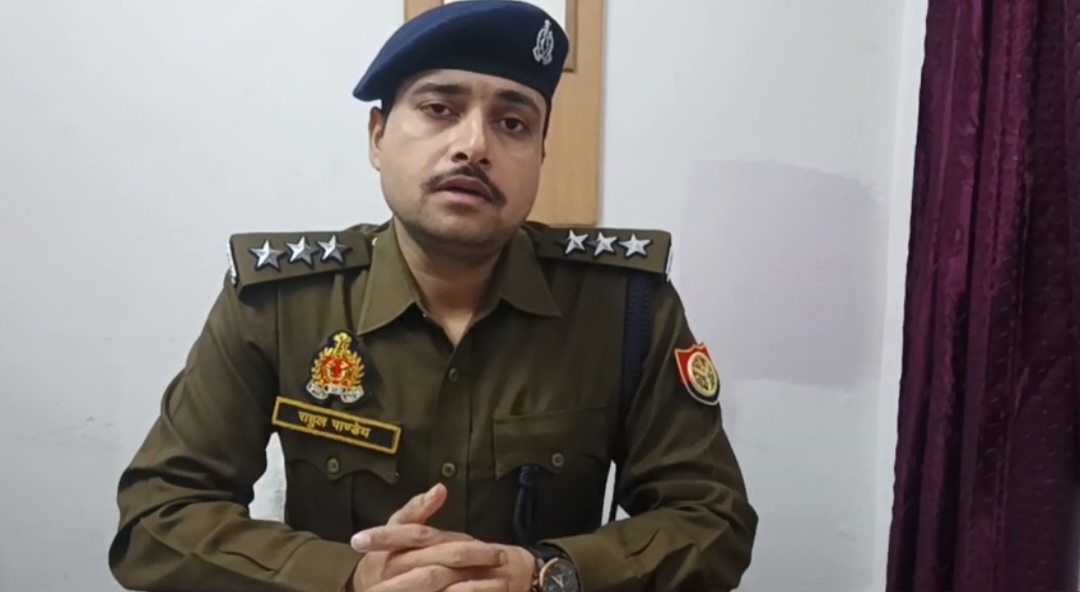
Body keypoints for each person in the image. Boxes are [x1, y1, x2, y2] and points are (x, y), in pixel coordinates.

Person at [107, 2, 758, 591]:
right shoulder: (280, 304)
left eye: (512, 122)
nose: (474, 146)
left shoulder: (625, 309)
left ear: (540, 154)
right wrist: (346, 579)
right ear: (378, 137)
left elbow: (712, 518)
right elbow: (158, 518)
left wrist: (548, 575)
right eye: (440, 109)